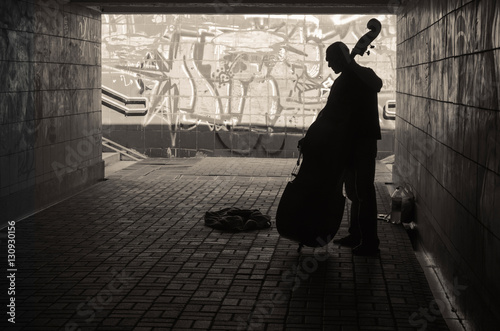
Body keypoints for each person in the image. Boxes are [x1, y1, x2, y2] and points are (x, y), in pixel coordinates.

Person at [318, 42, 383, 256]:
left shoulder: (363, 74)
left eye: (331, 59)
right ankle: (356, 234)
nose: (328, 64)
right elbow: (329, 114)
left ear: (342, 58)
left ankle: (370, 242)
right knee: (354, 192)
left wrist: (351, 64)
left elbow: (377, 84)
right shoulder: (341, 82)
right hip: (347, 144)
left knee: (364, 191)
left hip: (363, 142)